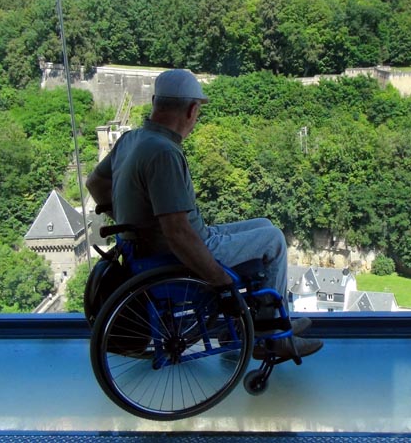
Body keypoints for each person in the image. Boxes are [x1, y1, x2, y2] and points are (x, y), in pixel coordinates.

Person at [86, 69, 323, 360]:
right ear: (191, 109)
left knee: (264, 224)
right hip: (174, 254)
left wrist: (127, 220)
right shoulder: (165, 153)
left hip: (144, 251)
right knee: (273, 239)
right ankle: (275, 338)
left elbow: (95, 184)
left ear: (155, 101)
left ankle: (260, 321)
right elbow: (177, 233)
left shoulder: (132, 139)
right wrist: (220, 280)